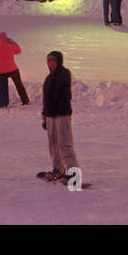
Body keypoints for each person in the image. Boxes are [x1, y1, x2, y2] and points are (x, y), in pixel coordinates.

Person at [39, 50, 79, 182]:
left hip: (62, 114)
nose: (51, 64)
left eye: (54, 61)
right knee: (53, 143)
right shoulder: (48, 78)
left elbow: (64, 92)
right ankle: (58, 169)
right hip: (50, 115)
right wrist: (45, 116)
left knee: (64, 144)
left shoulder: (64, 74)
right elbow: (46, 98)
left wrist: (57, 105)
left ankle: (73, 173)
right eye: (49, 61)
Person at [0, 32, 29, 105]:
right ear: (6, 38)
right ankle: (25, 101)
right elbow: (19, 51)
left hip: (1, 71)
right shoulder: (11, 45)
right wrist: (13, 42)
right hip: (12, 69)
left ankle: (4, 101)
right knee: (19, 85)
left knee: (3, 84)